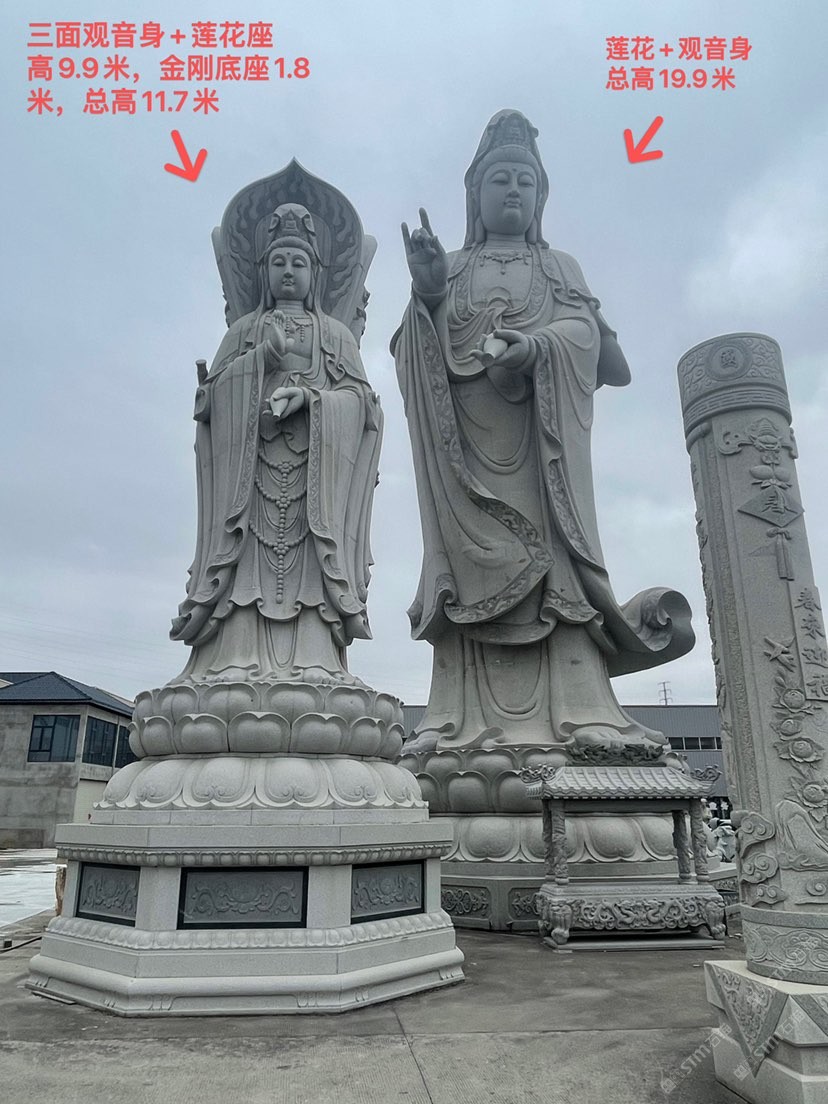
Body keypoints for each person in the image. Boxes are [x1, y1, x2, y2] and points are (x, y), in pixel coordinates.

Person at [393, 110, 693, 752]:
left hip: (543, 454)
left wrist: (537, 348)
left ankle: (582, 707)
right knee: (468, 573)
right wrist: (429, 294)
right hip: (465, 459)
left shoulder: (558, 267)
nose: (512, 192)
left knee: (557, 573)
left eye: (524, 182)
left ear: (540, 196)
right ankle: (456, 714)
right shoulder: (453, 268)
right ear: (474, 195)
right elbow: (414, 356)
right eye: (499, 180)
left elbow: (603, 355)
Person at [170, 203, 382, 685]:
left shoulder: (335, 336)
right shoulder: (244, 331)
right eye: (279, 262)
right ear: (263, 271)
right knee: (247, 564)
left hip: (314, 476)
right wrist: (256, 364)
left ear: (316, 273)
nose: (289, 271)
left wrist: (312, 400)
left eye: (299, 262)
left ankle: (315, 656)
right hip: (251, 474)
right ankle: (234, 653)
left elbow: (364, 406)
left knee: (309, 567)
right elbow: (209, 403)